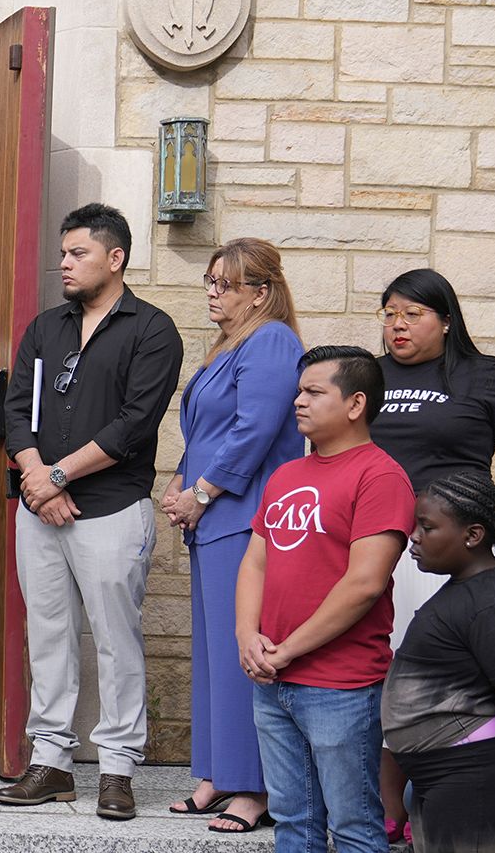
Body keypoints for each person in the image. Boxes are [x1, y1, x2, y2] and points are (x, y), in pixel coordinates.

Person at [0, 203, 185, 818]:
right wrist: (36, 480)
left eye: (77, 253)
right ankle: (50, 762)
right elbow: (14, 408)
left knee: (115, 638)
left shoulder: (152, 330)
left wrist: (54, 477)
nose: (64, 264)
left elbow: (134, 424)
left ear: (116, 257)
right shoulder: (46, 327)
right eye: (63, 252)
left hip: (110, 506)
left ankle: (117, 768)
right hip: (39, 506)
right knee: (47, 634)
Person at [370, 267, 495, 837]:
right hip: (374, 546)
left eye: (412, 313)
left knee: (430, 675)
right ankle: (387, 806)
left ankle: (428, 795)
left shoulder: (485, 377)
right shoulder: (368, 378)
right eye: (390, 313)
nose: (398, 324)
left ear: (446, 320)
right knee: (380, 675)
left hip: (445, 555)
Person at [235, 345, 414, 853]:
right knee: (293, 823)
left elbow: (364, 583)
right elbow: (255, 561)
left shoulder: (380, 475)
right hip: (272, 681)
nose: (298, 402)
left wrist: (287, 649)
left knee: (355, 826)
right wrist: (247, 636)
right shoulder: (287, 474)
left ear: (356, 404)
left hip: (340, 684)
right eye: (299, 391)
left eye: (314, 392)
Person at [155, 238, 304, 832]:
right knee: (215, 652)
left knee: (244, 650)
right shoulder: (230, 344)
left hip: (247, 519)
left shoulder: (271, 340)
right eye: (210, 281)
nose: (212, 292)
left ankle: (254, 789)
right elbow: (207, 433)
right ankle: (217, 774)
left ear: (261, 293)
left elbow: (255, 429)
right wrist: (179, 483)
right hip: (216, 519)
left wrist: (203, 492)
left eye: (226, 283)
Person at [383, 471, 495, 853]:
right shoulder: (467, 588)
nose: (414, 536)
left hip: (474, 782)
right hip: (446, 779)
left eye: (427, 527)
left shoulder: (492, 606)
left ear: (473, 535)